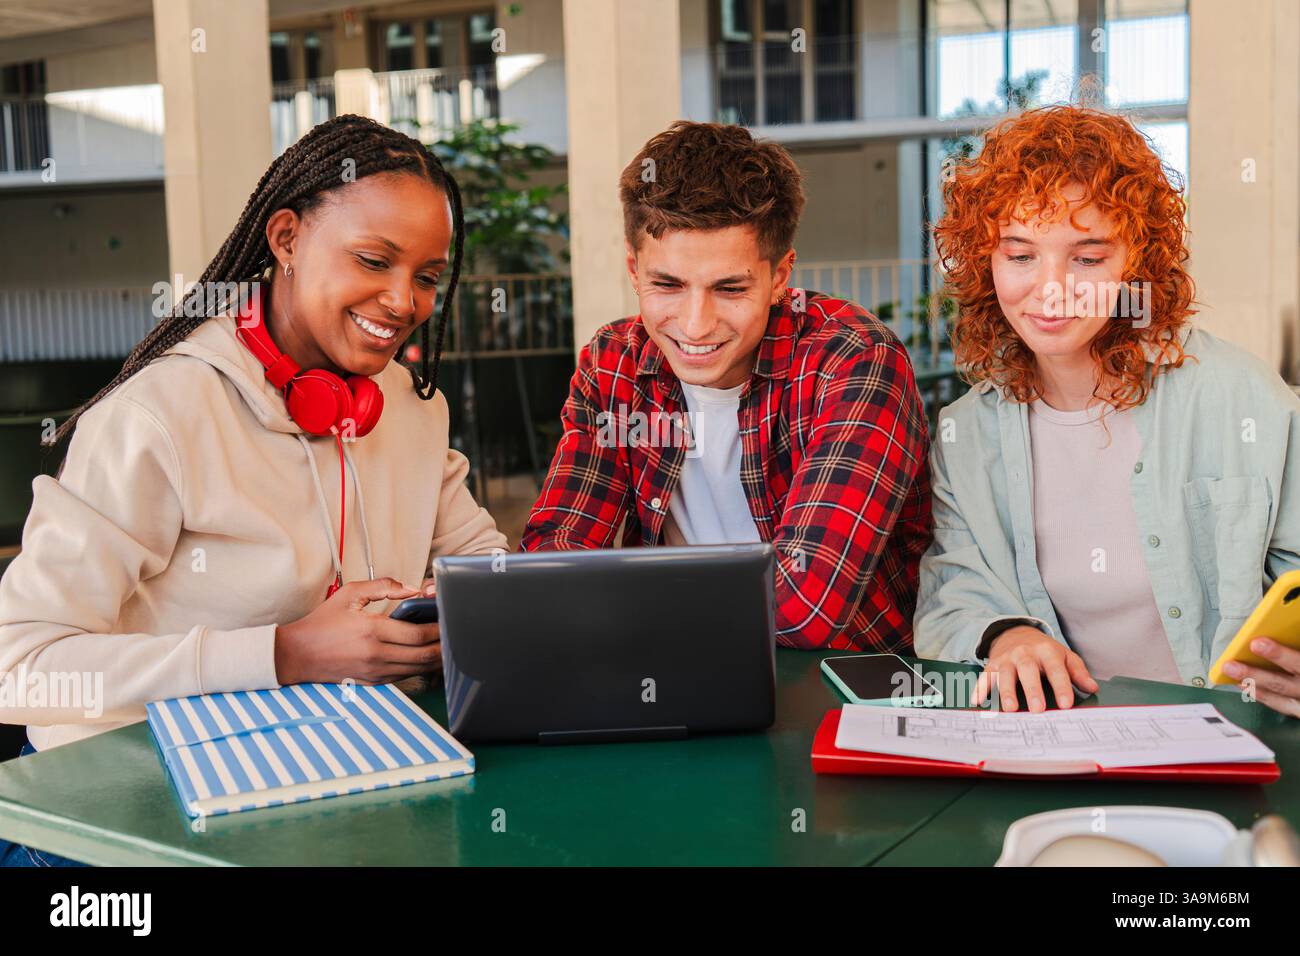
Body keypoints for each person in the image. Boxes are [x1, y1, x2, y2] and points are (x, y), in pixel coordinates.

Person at [0, 114, 506, 865]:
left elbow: (487, 569)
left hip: (333, 800)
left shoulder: (406, 404)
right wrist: (286, 653)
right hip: (126, 829)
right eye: (374, 260)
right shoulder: (156, 415)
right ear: (287, 239)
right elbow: (22, 670)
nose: (404, 302)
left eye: (428, 276)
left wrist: (450, 624)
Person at [915, 105, 1300, 718]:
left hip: (1237, 747)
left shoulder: (1245, 399)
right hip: (1058, 753)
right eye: (1020, 255)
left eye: (1087, 258)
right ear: (987, 262)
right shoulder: (966, 433)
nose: (1050, 288)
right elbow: (954, 590)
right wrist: (1005, 635)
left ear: (1137, 263)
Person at [522, 121, 933, 651]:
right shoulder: (614, 364)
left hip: (844, 680)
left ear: (780, 275)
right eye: (667, 285)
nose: (695, 326)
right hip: (673, 663)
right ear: (634, 268)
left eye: (730, 288)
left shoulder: (852, 361)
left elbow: (804, 606)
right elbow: (557, 556)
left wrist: (610, 601)